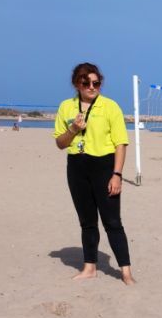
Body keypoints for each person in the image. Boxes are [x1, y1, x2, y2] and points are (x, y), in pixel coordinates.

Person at [53, 62, 135, 285]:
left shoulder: (110, 107)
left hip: (104, 167)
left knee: (112, 221)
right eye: (86, 82)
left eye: (96, 83)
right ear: (76, 84)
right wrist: (73, 129)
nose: (91, 87)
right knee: (87, 222)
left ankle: (126, 272)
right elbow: (60, 143)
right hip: (77, 167)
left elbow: (121, 143)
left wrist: (117, 174)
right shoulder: (66, 107)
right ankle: (90, 267)